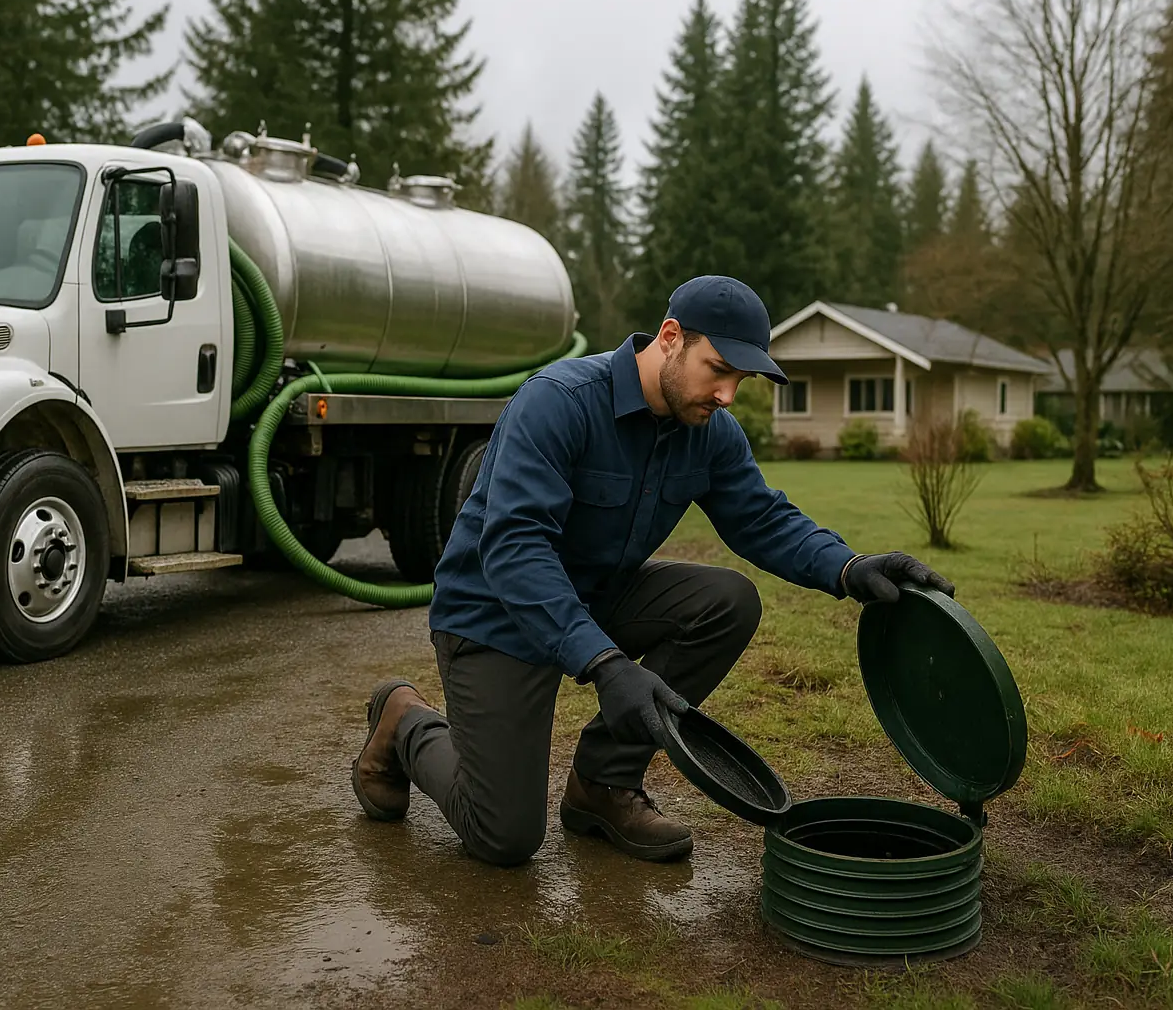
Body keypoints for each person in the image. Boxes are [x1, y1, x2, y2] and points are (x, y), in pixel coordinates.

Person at [350, 274, 954, 867]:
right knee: (504, 836)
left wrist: (849, 567)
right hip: (495, 615)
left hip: (596, 596)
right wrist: (604, 662)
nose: (726, 395)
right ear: (669, 337)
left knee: (726, 601)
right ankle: (406, 721)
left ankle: (602, 784)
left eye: (739, 380)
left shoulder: (709, 433)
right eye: (718, 370)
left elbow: (762, 519)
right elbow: (515, 550)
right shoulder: (558, 402)